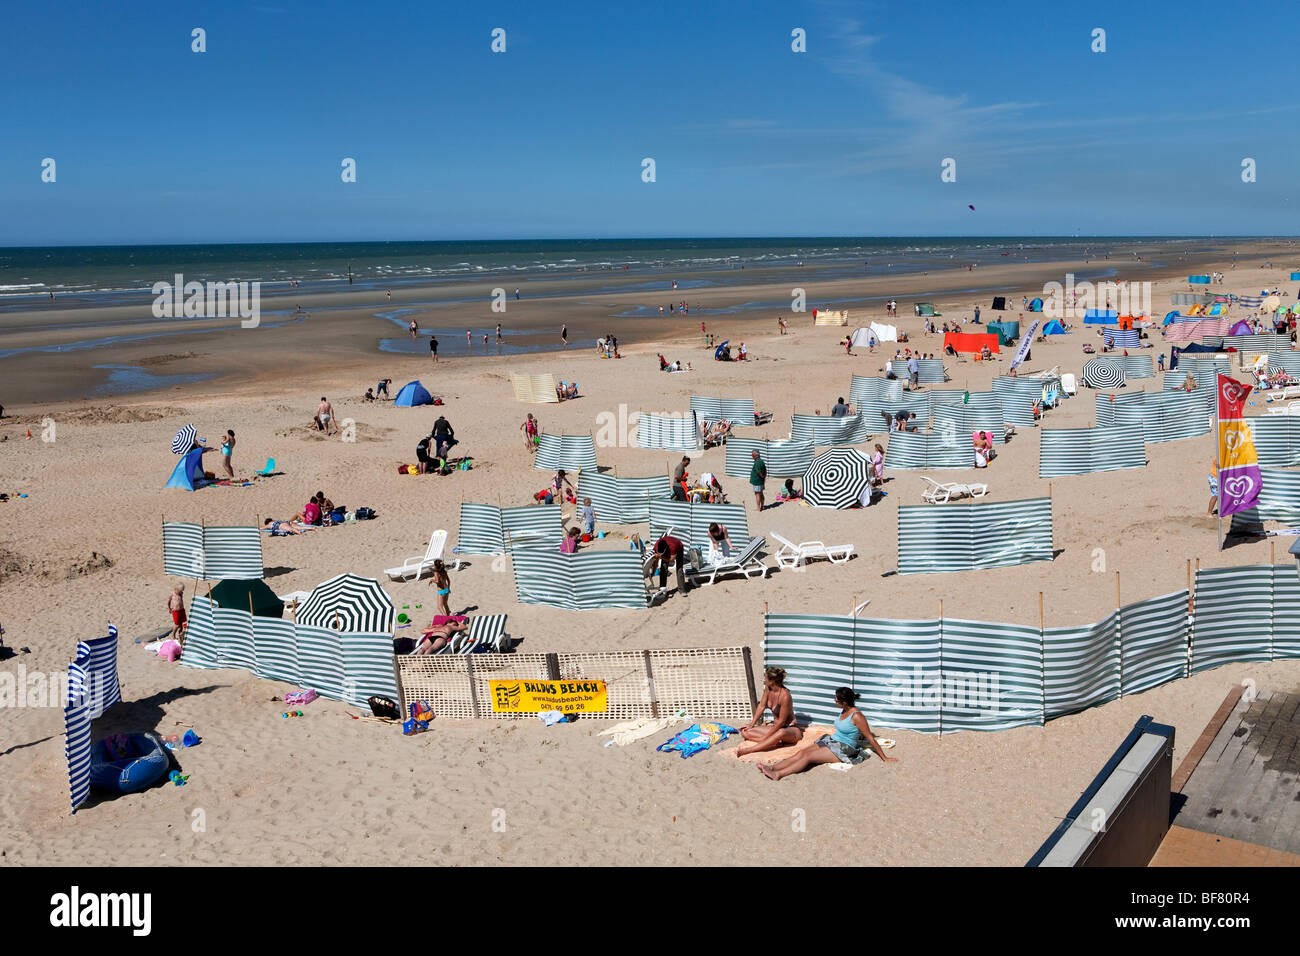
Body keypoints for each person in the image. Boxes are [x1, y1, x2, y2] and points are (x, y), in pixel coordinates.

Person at [759, 687, 897, 779]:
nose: (834, 701)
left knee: (808, 758)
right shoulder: (844, 710)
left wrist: (885, 758)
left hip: (844, 748)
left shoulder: (857, 716)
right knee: (801, 753)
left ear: (843, 702)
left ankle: (778, 774)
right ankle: (772, 767)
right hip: (832, 740)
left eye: (836, 699)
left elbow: (870, 738)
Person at [736, 667, 801, 757]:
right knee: (745, 732)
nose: (764, 680)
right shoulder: (768, 689)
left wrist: (765, 737)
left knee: (781, 732)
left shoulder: (785, 696)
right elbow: (762, 706)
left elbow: (781, 722)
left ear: (772, 681)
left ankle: (750, 749)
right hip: (775, 728)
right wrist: (752, 724)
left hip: (790, 731)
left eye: (765, 678)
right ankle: (773, 741)